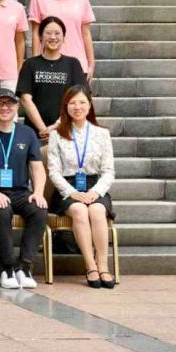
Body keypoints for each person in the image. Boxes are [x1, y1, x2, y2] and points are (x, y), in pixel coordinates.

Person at [0, 87, 49, 289]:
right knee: (2, 211)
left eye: (9, 103)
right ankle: (7, 268)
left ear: (17, 107)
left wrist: (38, 192)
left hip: (20, 191)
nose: (4, 107)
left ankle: (24, 266)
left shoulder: (27, 133)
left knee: (39, 210)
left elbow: (37, 168)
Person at [46, 86, 117, 288]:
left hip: (95, 184)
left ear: (89, 105)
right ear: (66, 106)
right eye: (73, 103)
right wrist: (73, 193)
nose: (77, 107)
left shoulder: (102, 134)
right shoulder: (57, 134)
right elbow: (53, 171)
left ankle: (103, 266)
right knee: (78, 210)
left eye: (82, 102)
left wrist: (95, 192)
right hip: (67, 187)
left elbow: (109, 171)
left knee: (97, 210)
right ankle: (90, 265)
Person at [18, 17, 88, 140]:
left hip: (66, 130)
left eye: (57, 33)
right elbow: (25, 99)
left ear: (64, 37)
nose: (53, 37)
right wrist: (43, 130)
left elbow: (81, 97)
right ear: (40, 37)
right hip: (35, 134)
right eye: (48, 33)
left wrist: (57, 126)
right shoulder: (30, 64)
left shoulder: (73, 64)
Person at [28, 0, 97, 74]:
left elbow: (86, 33)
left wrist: (91, 64)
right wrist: (35, 64)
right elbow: (36, 34)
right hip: (47, 65)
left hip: (78, 63)